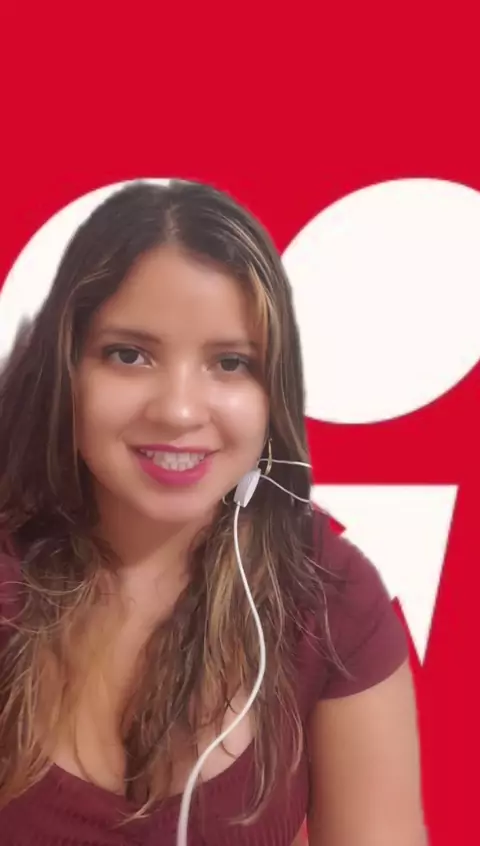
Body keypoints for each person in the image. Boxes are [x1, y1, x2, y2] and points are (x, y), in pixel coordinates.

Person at [0, 180, 427, 846]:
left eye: (230, 363)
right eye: (129, 354)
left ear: (272, 394)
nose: (178, 410)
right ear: (67, 369)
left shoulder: (329, 598)